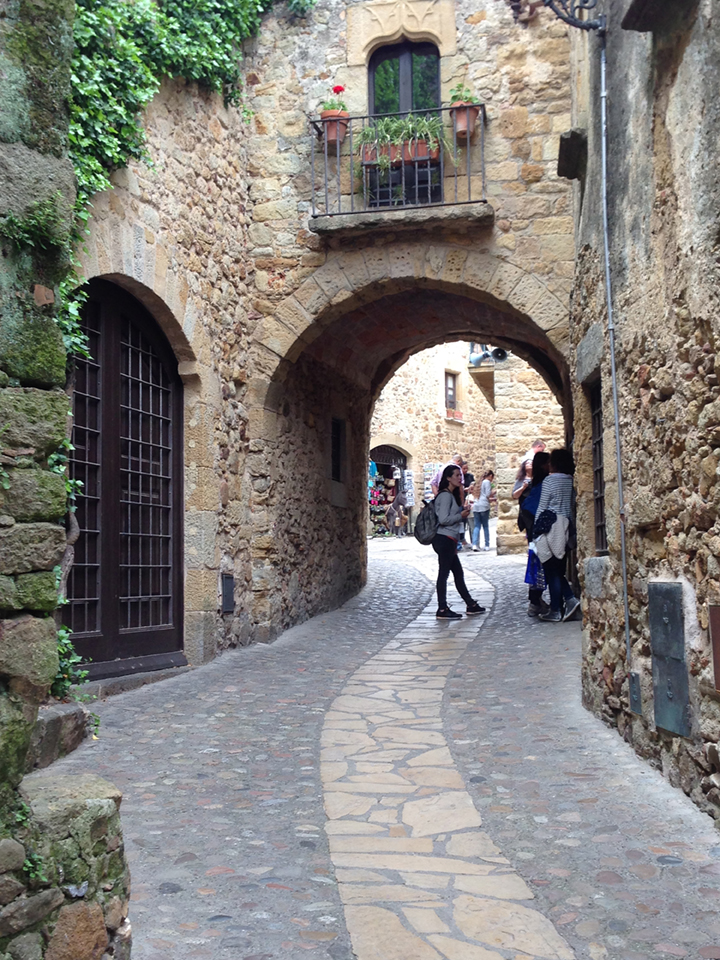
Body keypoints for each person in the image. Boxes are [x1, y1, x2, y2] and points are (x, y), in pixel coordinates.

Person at [432, 464, 486, 620]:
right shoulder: (445, 496)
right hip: (445, 538)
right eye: (456, 475)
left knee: (458, 573)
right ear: (448, 478)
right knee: (444, 574)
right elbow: (443, 519)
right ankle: (442, 608)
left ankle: (470, 604)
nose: (459, 478)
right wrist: (460, 515)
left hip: (449, 538)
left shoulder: (450, 495)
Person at [534, 448, 580, 623]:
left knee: (551, 570)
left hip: (550, 527)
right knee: (558, 569)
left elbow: (542, 506)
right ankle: (560, 606)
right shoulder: (571, 481)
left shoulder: (549, 481)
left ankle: (564, 603)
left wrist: (536, 531)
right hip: (566, 526)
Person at [519, 452, 550, 615]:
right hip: (541, 530)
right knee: (540, 565)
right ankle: (535, 601)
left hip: (534, 531)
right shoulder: (541, 484)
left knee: (536, 565)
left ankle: (536, 600)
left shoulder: (536, 484)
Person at [471, 470, 495, 551]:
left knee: (477, 526)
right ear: (491, 476)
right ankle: (487, 545)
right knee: (485, 525)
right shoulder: (487, 482)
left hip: (476, 505)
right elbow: (488, 494)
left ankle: (474, 544)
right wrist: (494, 492)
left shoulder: (479, 483)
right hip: (484, 505)